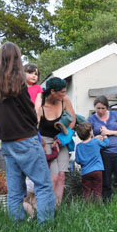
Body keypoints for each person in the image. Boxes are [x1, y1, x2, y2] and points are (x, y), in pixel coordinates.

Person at [0, 42, 55, 223]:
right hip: (26, 139)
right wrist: (34, 126)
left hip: (7, 143)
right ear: (17, 58)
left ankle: (16, 227)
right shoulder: (18, 82)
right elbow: (30, 112)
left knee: (15, 191)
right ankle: (46, 227)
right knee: (43, 185)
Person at [0, 63, 43, 169]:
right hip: (13, 116)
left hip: (28, 117)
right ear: (21, 73)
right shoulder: (16, 85)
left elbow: (38, 103)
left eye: (36, 74)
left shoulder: (38, 88)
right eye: (30, 73)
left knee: (36, 138)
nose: (34, 76)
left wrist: (37, 116)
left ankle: (38, 158)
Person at [38, 77, 76, 208]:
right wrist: (41, 144)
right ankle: (45, 207)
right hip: (45, 142)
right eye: (62, 92)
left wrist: (62, 139)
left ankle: (57, 208)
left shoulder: (64, 100)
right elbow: (34, 126)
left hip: (61, 140)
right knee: (52, 178)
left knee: (61, 176)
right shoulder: (41, 102)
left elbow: (72, 120)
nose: (64, 94)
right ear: (52, 91)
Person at [87, 95, 117, 200]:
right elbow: (88, 138)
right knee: (106, 183)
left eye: (103, 108)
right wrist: (96, 138)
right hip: (103, 154)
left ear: (107, 107)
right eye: (98, 108)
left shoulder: (115, 115)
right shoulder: (91, 119)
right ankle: (107, 206)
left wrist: (109, 132)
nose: (100, 111)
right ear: (95, 108)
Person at [75, 122, 110, 201]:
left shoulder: (79, 146)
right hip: (97, 170)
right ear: (90, 132)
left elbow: (77, 160)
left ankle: (87, 206)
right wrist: (105, 136)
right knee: (97, 190)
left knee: (87, 191)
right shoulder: (95, 142)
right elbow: (106, 144)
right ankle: (97, 207)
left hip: (85, 172)